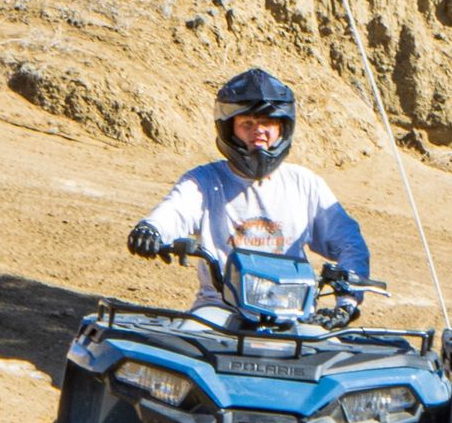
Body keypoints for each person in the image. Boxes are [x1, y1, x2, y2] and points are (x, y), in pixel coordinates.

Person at [127, 68, 372, 329]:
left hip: (293, 311)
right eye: (247, 124)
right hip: (219, 308)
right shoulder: (205, 181)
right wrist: (151, 230)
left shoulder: (305, 184)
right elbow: (174, 211)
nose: (259, 132)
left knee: (325, 357)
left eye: (268, 123)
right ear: (229, 128)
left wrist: (346, 304)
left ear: (283, 128)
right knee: (188, 348)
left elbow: (350, 243)